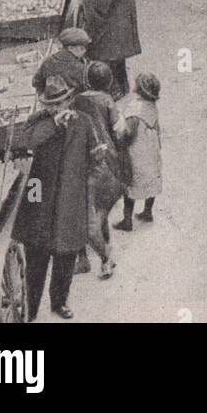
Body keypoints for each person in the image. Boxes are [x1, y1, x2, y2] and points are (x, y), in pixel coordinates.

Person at [13, 76, 98, 321]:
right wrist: (53, 123)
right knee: (36, 259)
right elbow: (29, 141)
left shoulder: (84, 122)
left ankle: (59, 302)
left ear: (70, 100)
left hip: (70, 200)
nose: (55, 108)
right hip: (38, 195)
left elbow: (94, 153)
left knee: (65, 258)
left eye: (60, 103)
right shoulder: (38, 122)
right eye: (50, 104)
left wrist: (84, 184)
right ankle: (30, 309)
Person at [74, 61, 123, 279]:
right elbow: (119, 130)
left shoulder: (77, 101)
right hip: (107, 160)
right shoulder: (107, 101)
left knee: (84, 213)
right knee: (96, 209)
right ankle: (96, 252)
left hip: (90, 162)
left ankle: (101, 257)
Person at [114, 73, 163, 232]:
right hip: (151, 147)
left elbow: (129, 133)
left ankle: (127, 221)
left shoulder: (136, 108)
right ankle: (148, 211)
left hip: (138, 150)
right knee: (151, 179)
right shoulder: (152, 106)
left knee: (131, 182)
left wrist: (120, 143)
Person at [32, 26, 91, 94]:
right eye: (82, 48)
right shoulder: (79, 67)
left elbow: (35, 82)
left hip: (49, 101)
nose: (85, 51)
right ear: (70, 48)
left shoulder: (48, 61)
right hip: (72, 102)